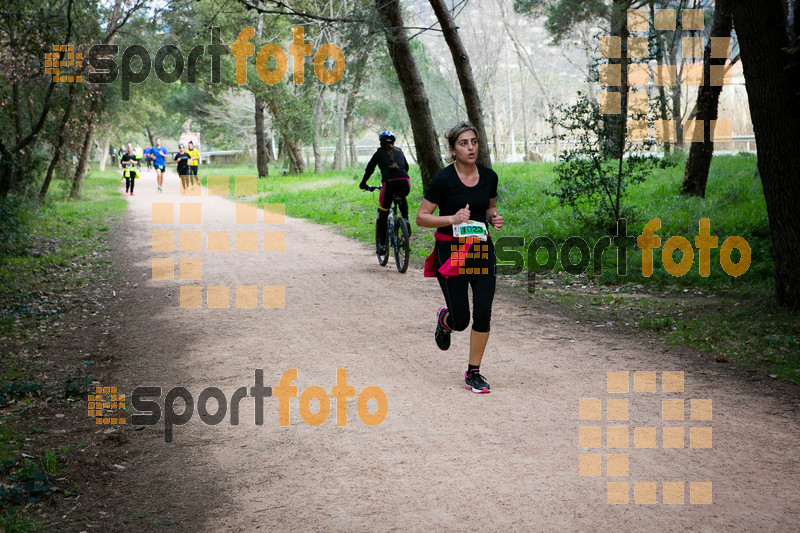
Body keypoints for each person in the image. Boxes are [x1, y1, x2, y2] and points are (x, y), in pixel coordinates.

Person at [416, 121, 504, 394]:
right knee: (462, 319)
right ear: (453, 149)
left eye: (473, 142)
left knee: (483, 311)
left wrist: (494, 218)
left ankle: (473, 372)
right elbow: (421, 217)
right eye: (463, 143)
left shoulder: (489, 177)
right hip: (451, 252)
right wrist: (452, 218)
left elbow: (488, 209)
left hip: (480, 249)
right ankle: (446, 320)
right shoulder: (443, 180)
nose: (470, 147)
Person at [359, 131, 411, 255]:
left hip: (389, 184)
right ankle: (406, 222)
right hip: (405, 182)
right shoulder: (399, 151)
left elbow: (369, 169)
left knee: (383, 213)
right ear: (393, 141)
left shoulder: (379, 153)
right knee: (402, 197)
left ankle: (382, 245)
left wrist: (363, 183)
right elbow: (406, 167)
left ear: (381, 142)